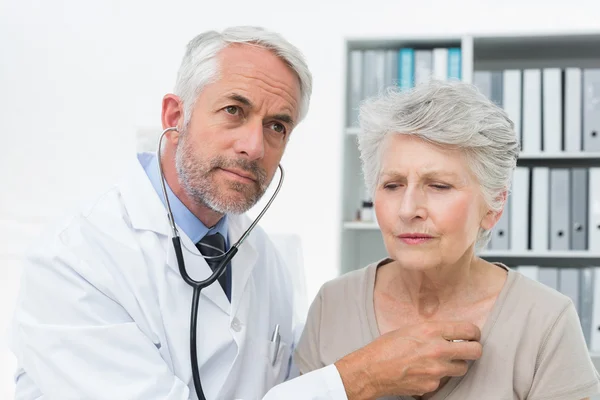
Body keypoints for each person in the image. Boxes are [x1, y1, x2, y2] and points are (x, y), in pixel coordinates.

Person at [9, 27, 482, 400]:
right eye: (234, 110)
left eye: (277, 126)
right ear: (175, 116)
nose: (254, 146)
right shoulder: (74, 262)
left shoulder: (263, 256)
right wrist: (356, 380)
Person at [295, 80, 600, 400]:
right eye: (392, 185)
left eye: (438, 186)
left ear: (493, 207)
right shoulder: (333, 304)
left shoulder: (545, 320)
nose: (408, 209)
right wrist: (367, 376)